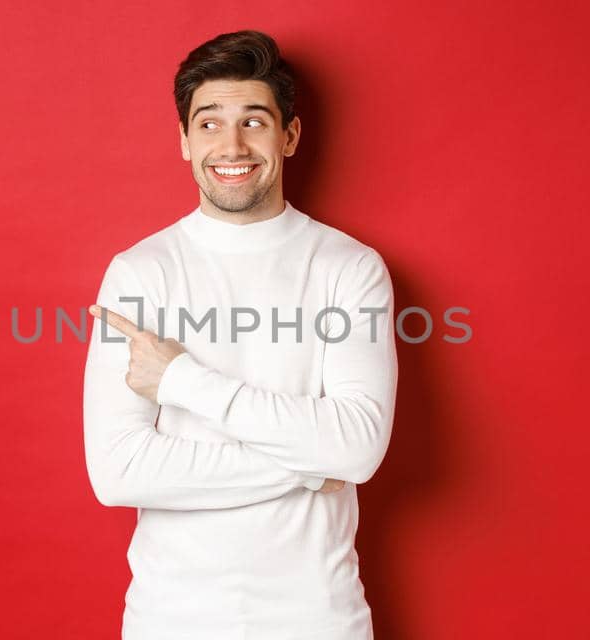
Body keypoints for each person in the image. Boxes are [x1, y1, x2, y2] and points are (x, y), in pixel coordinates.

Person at [82, 29, 398, 640]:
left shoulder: (350, 268)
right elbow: (118, 472)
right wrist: (308, 466)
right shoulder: (140, 272)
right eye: (209, 123)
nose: (231, 144)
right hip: (171, 621)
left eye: (254, 121)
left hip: (320, 620)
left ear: (290, 135)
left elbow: (357, 447)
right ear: (183, 139)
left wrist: (180, 380)